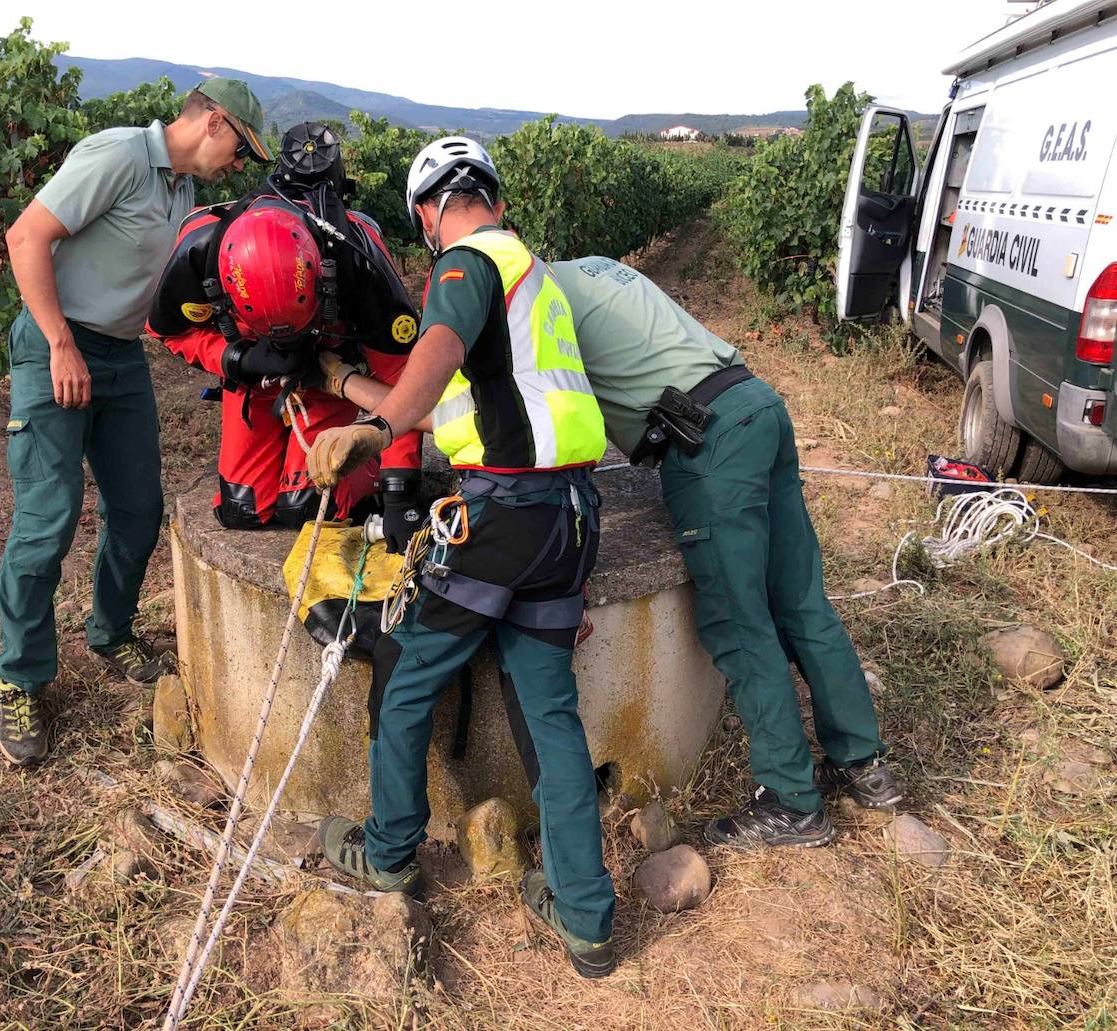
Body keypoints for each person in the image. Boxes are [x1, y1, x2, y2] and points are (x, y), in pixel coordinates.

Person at [330, 253, 902, 846]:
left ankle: (791, 800)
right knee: (801, 599)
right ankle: (863, 764)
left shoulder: (533, 305)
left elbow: (447, 411)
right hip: (756, 405)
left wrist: (345, 387)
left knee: (738, 618)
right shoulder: (597, 269)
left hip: (705, 443)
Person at [304, 137, 618, 979]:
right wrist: (346, 387)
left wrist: (366, 431)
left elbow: (422, 374)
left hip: (504, 516)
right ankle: (585, 916)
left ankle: (391, 850)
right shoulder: (530, 283)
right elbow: (437, 396)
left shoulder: (464, 264)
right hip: (570, 520)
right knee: (550, 712)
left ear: (427, 212)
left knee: (405, 669)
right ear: (496, 196)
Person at [0, 78, 271, 767]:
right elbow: (25, 235)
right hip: (56, 345)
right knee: (48, 519)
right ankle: (19, 677)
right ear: (213, 122)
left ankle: (110, 630)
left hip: (119, 358)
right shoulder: (119, 156)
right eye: (242, 147)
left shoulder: (181, 191)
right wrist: (58, 341)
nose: (239, 163)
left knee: (140, 510)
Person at [147, 123, 423, 546]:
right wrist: (236, 359)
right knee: (241, 509)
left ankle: (357, 482)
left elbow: (402, 376)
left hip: (328, 382)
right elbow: (170, 332)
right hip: (253, 381)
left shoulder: (358, 261)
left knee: (308, 506)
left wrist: (400, 489)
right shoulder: (199, 252)